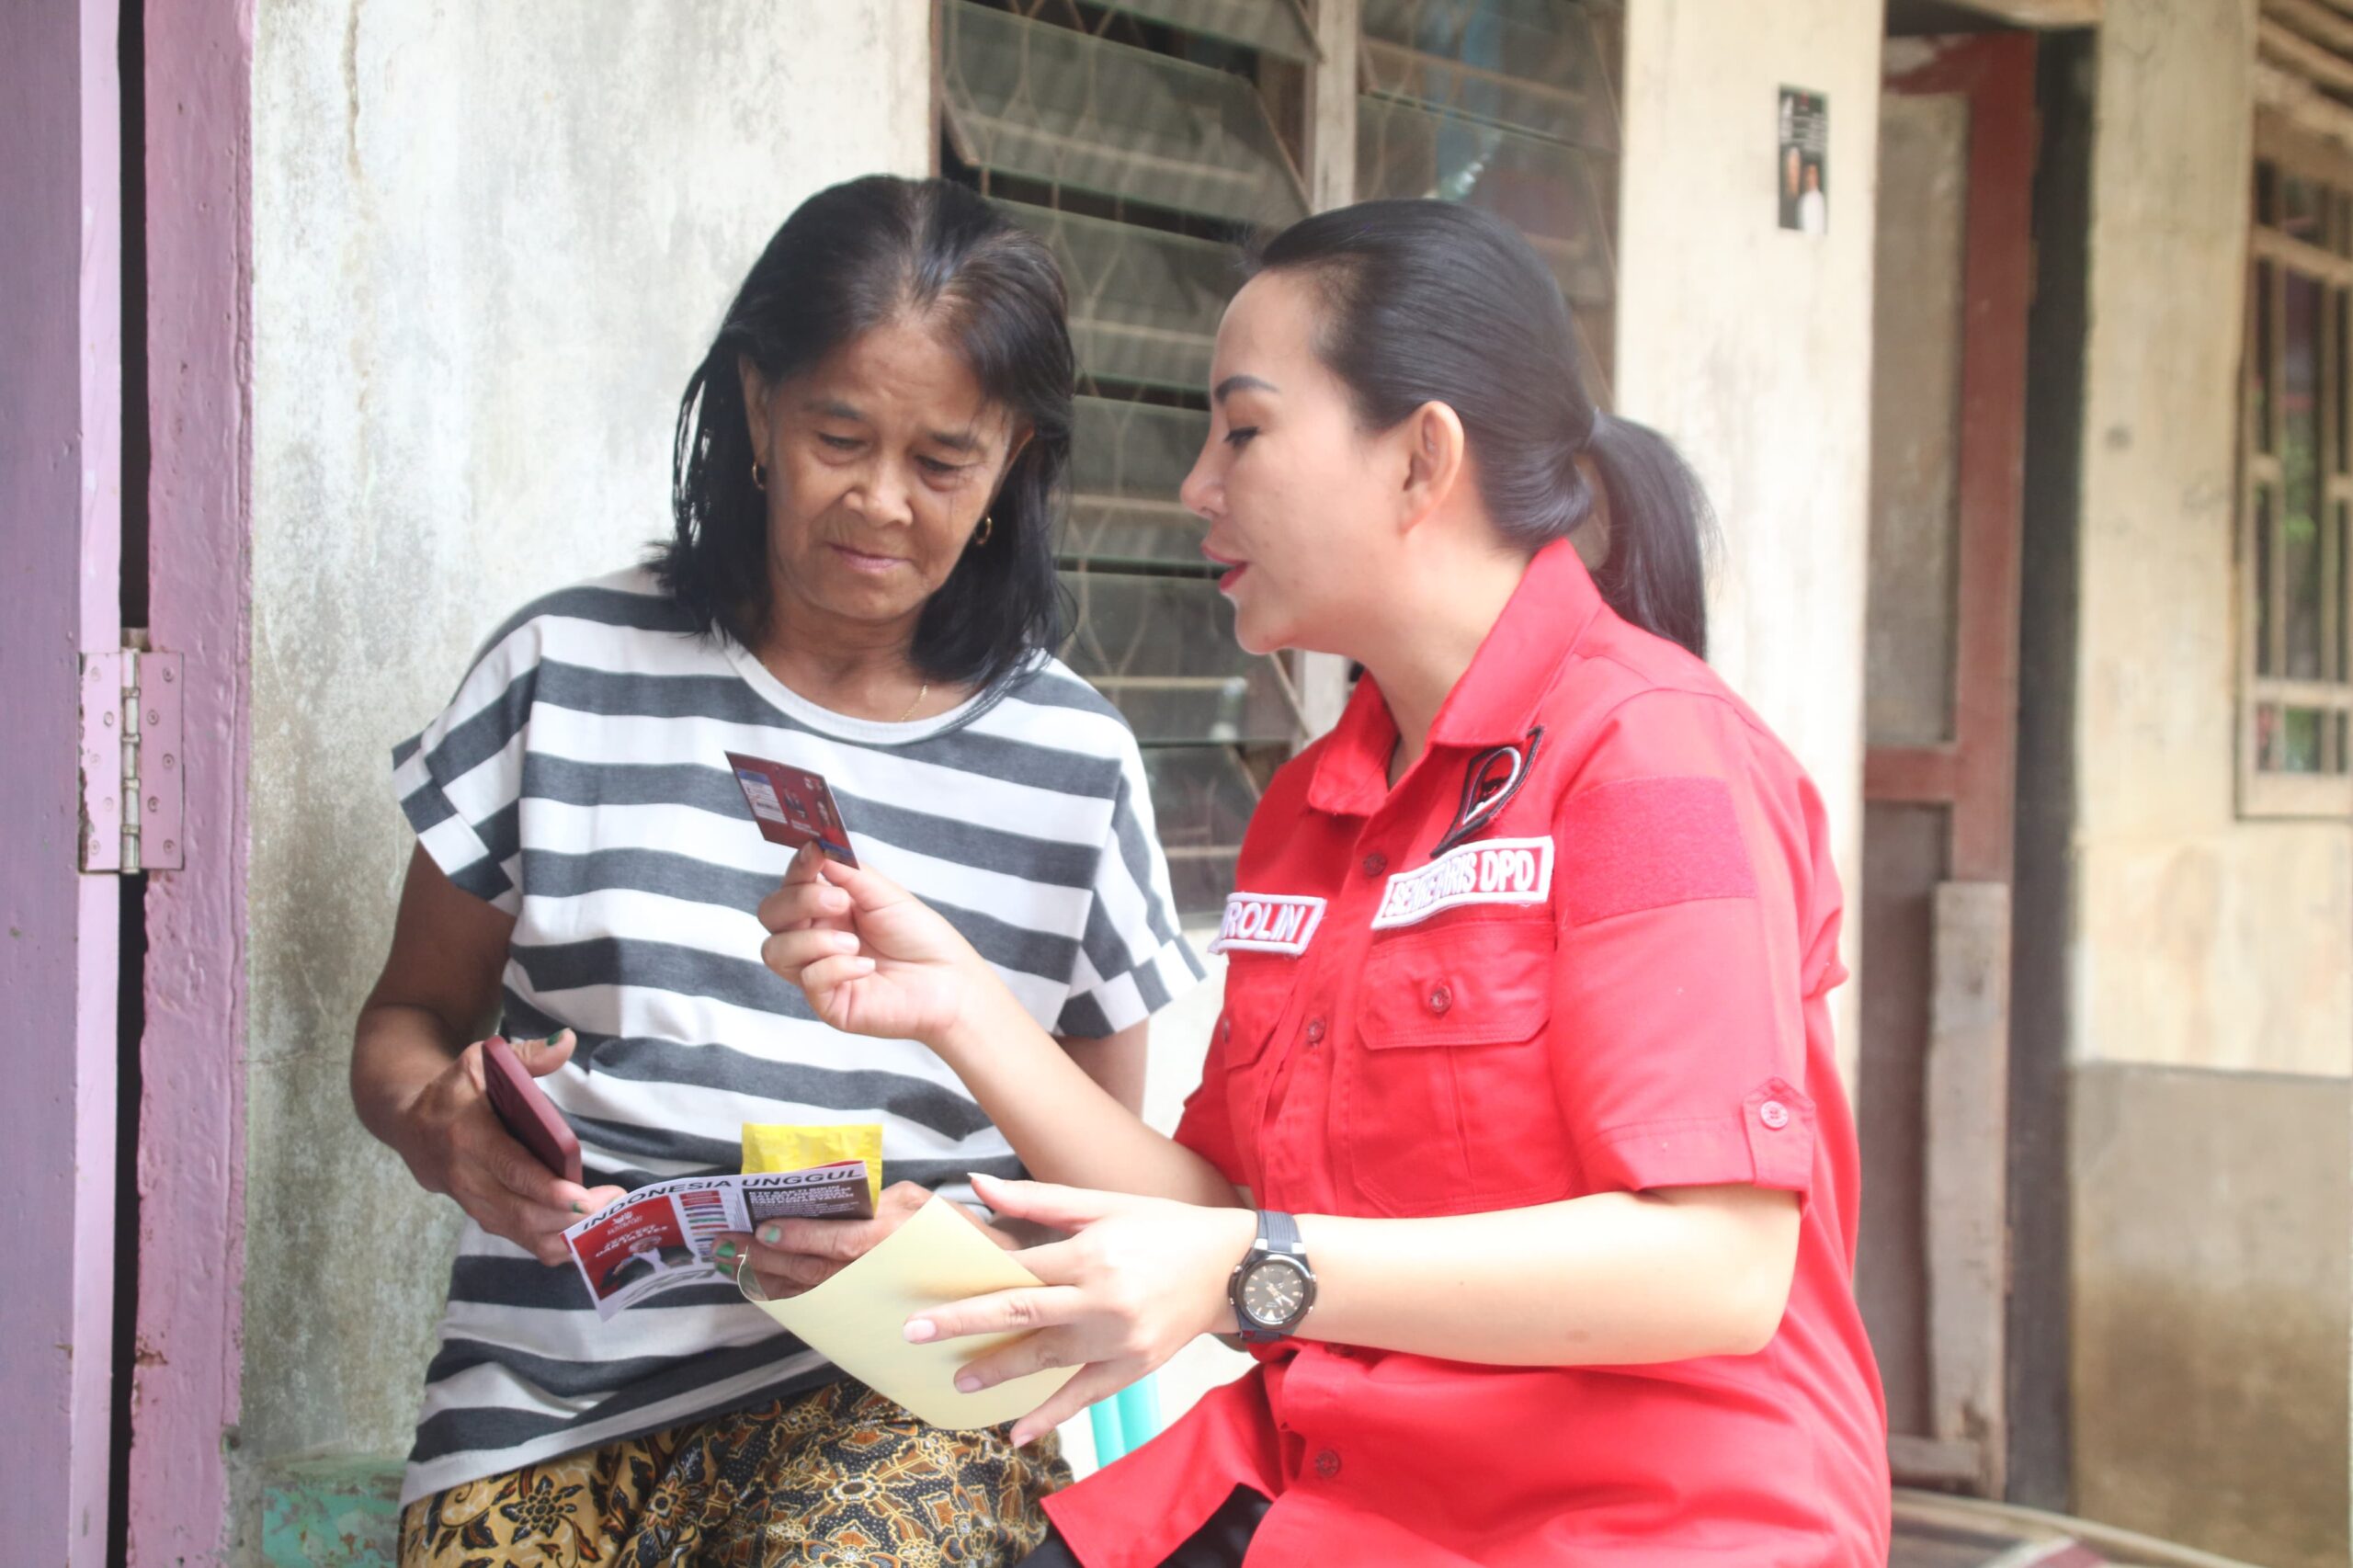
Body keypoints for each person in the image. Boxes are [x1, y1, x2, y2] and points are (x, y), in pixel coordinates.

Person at [756, 199, 1892, 1566]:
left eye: (1243, 429)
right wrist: (960, 1008)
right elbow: (1217, 1198)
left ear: (1421, 459)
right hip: (1333, 1487)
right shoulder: (1316, 805)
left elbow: (1716, 1266)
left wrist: (1245, 1267)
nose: (1196, 484)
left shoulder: (1654, 760)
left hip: (1639, 1523)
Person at [354, 175, 1200, 1568]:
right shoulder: (559, 672)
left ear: (1014, 467)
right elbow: (401, 1027)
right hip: (548, 1407)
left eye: (942, 462)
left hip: (916, 1399)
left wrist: (950, 1256)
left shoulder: (1078, 762)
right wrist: (435, 1122)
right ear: (755, 409)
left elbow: (1104, 1196)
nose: (879, 502)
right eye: (838, 435)